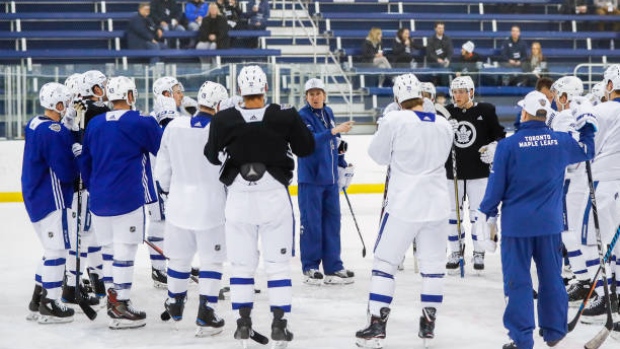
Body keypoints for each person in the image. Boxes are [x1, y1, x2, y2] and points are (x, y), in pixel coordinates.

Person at [477, 89, 597, 349]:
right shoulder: (561, 141)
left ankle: (522, 339)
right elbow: (588, 150)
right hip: (550, 225)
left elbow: (494, 190)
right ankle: (554, 331)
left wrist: (487, 215)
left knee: (518, 281)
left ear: (525, 112)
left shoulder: (508, 146)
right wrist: (587, 123)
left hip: (517, 227)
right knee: (552, 278)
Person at [204, 65, 314, 347]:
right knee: (277, 265)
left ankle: (243, 323)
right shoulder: (284, 115)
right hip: (274, 196)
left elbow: (212, 157)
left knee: (241, 265)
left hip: (239, 198)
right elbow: (306, 148)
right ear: (265, 88)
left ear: (239, 90)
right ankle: (279, 324)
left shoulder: (224, 119)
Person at [355, 73, 453, 348]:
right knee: (433, 267)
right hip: (436, 204)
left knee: (385, 264)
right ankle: (428, 325)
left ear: (398, 99)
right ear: (421, 96)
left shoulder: (394, 119)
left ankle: (376, 325)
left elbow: (378, 155)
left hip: (403, 204)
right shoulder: (443, 124)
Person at [80, 76, 163, 329]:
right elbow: (163, 148)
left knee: (107, 251)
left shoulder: (94, 123)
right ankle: (121, 306)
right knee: (125, 251)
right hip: (127, 198)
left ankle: (113, 300)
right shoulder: (141, 121)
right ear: (129, 96)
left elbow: (85, 163)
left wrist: (96, 190)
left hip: (99, 199)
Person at [155, 81, 229, 336]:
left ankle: (175, 302)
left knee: (179, 258)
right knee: (211, 260)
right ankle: (206, 313)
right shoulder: (223, 130)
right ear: (219, 105)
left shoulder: (174, 126)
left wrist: (168, 190)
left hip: (178, 204)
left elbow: (162, 169)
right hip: (211, 206)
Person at [22, 82, 78, 324]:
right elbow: (66, 172)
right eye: (65, 103)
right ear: (57, 104)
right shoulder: (52, 131)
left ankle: (37, 299)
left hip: (35, 196)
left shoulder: (35, 124)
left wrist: (67, 128)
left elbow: (54, 136)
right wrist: (78, 154)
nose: (68, 107)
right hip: (51, 197)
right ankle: (49, 304)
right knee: (57, 251)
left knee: (49, 249)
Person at [297, 78, 355, 285]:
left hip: (330, 180)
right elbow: (309, 141)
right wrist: (334, 131)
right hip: (311, 179)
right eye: (311, 94)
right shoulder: (301, 116)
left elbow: (332, 141)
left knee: (332, 223)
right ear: (306, 97)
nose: (315, 97)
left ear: (324, 95)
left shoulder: (328, 113)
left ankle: (333, 267)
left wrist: (342, 161)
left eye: (318, 93)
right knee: (311, 224)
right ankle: (310, 267)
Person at [445, 76, 506, 273]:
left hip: (478, 173)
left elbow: (500, 135)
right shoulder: (447, 113)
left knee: (476, 215)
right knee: (452, 215)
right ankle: (456, 250)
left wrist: (493, 147)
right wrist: (445, 130)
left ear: (471, 92)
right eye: (455, 91)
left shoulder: (485, 110)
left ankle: (478, 252)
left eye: (462, 91)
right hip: (452, 173)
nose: (458, 95)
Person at [62, 70, 110, 305]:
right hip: (75, 184)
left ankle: (89, 277)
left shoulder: (90, 113)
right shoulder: (83, 114)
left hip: (86, 181)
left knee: (87, 233)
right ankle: (72, 283)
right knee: (77, 235)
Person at [577, 64, 620, 324]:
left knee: (590, 240)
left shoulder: (600, 110)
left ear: (609, 85)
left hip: (604, 183)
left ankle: (604, 295)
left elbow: (586, 145)